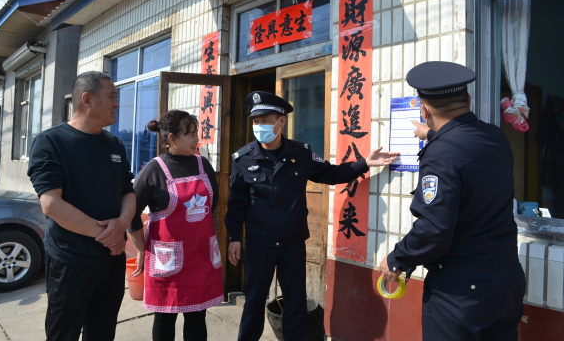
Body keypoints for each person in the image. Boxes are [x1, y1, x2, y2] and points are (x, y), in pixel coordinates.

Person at [226, 91, 399, 341]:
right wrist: (234, 237)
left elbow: (331, 174)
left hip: (292, 243)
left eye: (265, 120)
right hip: (259, 243)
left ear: (281, 121)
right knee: (253, 303)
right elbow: (236, 204)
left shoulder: (301, 153)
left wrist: (365, 163)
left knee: (295, 304)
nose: (259, 126)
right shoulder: (242, 159)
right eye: (255, 121)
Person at [379, 61, 526, 340]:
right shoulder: (495, 137)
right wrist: (434, 136)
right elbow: (465, 152)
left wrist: (397, 258)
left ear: (423, 110)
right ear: (468, 100)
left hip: (461, 293)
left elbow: (434, 230)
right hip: (506, 281)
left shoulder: (440, 156)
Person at [27, 71, 135, 341]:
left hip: (112, 259)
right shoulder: (51, 141)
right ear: (87, 100)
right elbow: (51, 204)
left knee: (102, 332)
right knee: (64, 332)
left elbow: (128, 192)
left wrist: (121, 224)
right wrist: (109, 236)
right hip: (71, 260)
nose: (117, 103)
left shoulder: (115, 143)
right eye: (111, 97)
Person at [128, 109, 223, 341]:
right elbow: (131, 214)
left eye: (196, 134)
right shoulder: (154, 169)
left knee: (197, 315)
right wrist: (141, 249)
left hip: (201, 256)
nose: (196, 140)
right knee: (165, 315)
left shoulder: (203, 165)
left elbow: (214, 204)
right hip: (167, 259)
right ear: (171, 138)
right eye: (190, 135)